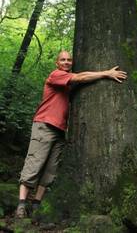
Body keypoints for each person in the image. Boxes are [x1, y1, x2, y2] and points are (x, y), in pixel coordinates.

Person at [15, 51, 127, 218]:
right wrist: (106, 73)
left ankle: (36, 204)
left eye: (69, 60)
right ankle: (21, 206)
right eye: (63, 60)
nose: (66, 62)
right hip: (44, 125)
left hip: (60, 130)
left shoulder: (68, 80)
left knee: (50, 170)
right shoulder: (56, 75)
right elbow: (81, 77)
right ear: (57, 63)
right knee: (34, 163)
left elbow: (82, 75)